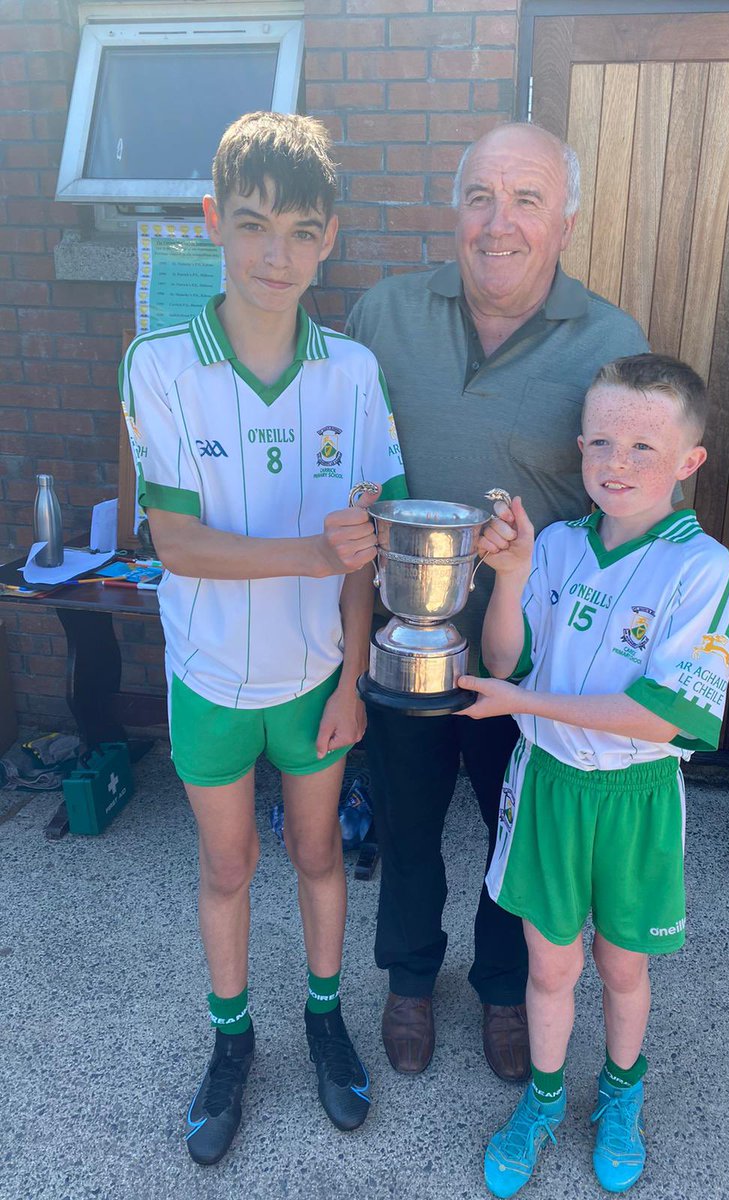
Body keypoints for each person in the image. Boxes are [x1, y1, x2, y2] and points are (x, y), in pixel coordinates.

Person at [119, 112, 407, 1164]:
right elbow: (181, 544)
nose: (273, 253)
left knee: (322, 850)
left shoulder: (354, 373)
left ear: (327, 237)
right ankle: (231, 1038)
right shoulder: (160, 364)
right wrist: (312, 553)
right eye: (250, 225)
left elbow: (369, 544)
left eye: (296, 230)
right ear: (213, 226)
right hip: (208, 679)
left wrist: (353, 671)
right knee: (231, 864)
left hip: (316, 682)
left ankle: (323, 1017)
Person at [344, 122, 649, 1082]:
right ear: (455, 206)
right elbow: (342, 462)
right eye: (481, 196)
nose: (499, 223)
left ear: (565, 218)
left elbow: (626, 503)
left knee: (519, 833)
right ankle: (406, 978)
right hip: (401, 645)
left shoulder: (609, 340)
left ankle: (506, 990)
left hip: (533, 658)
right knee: (406, 821)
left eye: (526, 200)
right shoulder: (382, 313)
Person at [457, 354, 729, 1196]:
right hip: (547, 784)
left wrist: (526, 702)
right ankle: (543, 1103)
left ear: (690, 461)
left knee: (623, 967)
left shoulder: (701, 569)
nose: (618, 464)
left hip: (634, 798)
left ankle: (620, 1095)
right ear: (580, 446)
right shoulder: (555, 545)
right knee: (549, 968)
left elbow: (666, 717)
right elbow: (506, 657)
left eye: (644, 447)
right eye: (603, 442)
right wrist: (509, 580)